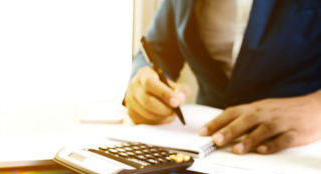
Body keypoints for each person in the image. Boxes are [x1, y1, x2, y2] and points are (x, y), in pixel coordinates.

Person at [124, 0, 321, 155]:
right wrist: (143, 84)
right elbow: (156, 51)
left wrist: (316, 108)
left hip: (295, 150)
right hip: (204, 143)